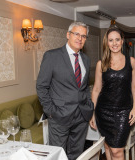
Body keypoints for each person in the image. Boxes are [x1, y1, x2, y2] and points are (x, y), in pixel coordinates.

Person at [36, 21, 94, 160]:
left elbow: (84, 87)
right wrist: (51, 111)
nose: (80, 38)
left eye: (84, 36)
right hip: (59, 116)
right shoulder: (52, 56)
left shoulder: (85, 59)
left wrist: (89, 106)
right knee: (58, 155)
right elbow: (41, 86)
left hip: (81, 117)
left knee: (77, 154)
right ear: (68, 35)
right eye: (77, 34)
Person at [90, 27, 135, 160]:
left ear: (122, 41)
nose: (114, 43)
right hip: (103, 111)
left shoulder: (131, 62)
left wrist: (134, 108)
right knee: (107, 146)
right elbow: (96, 90)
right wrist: (92, 113)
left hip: (123, 112)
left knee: (117, 150)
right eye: (111, 40)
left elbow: (134, 87)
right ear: (107, 43)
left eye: (117, 39)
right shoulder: (101, 64)